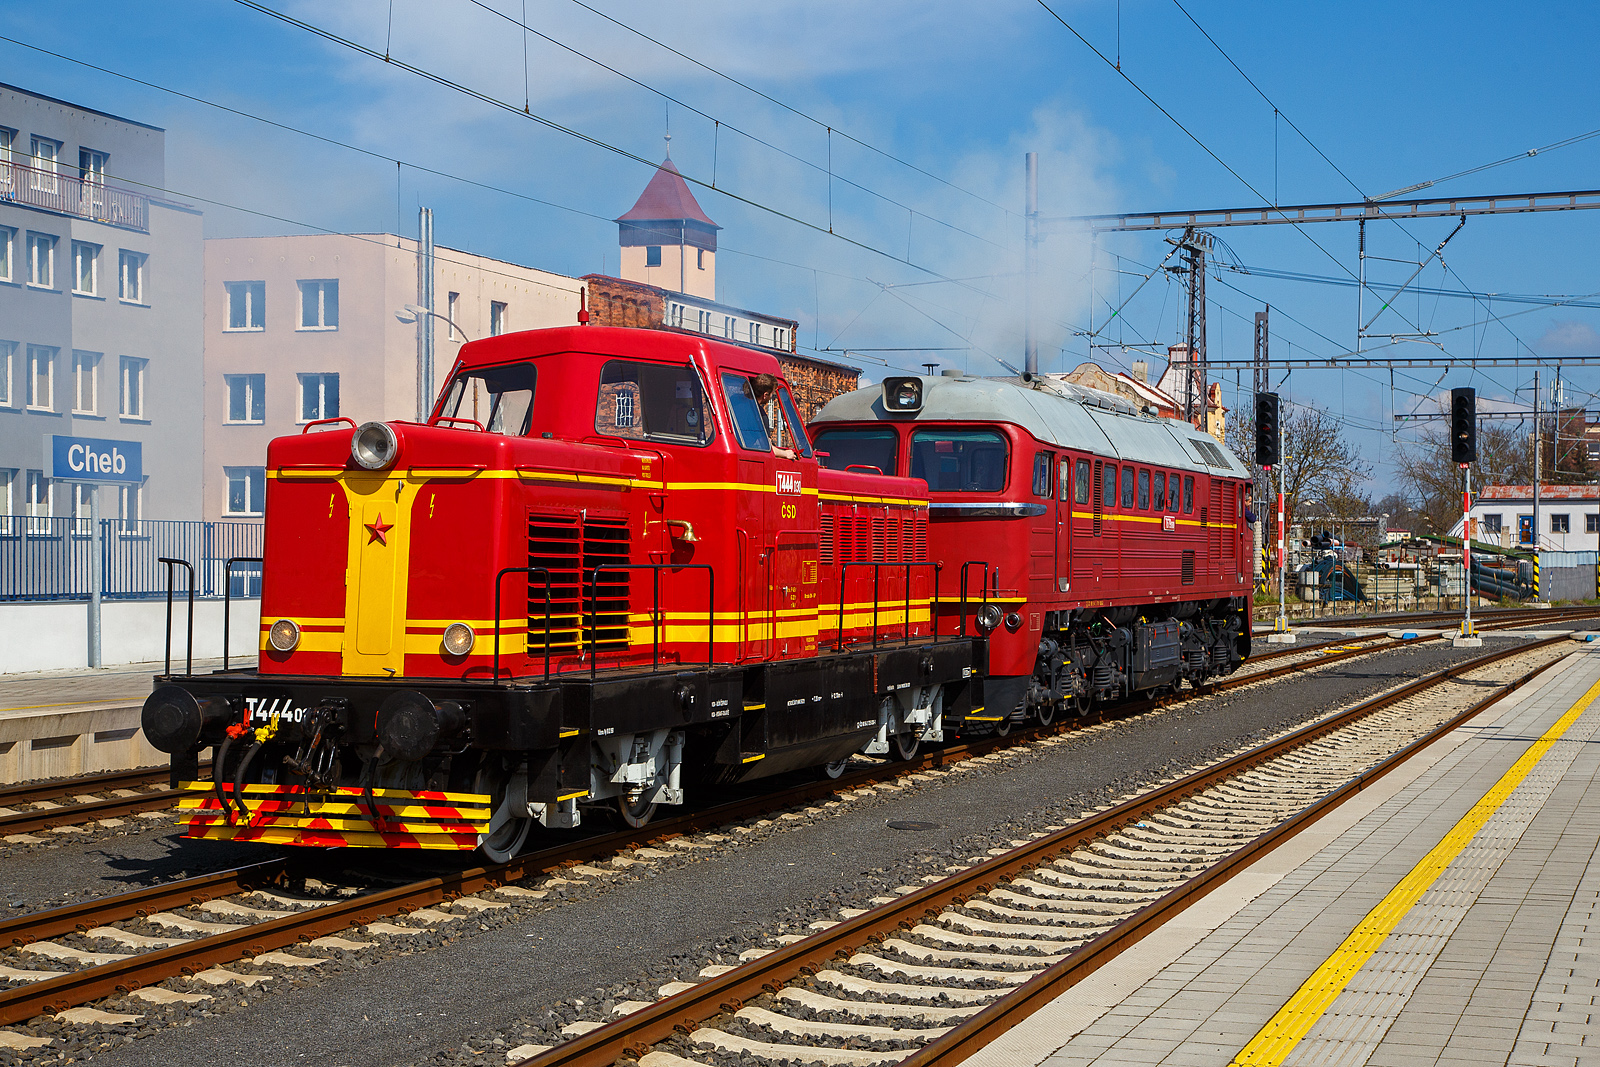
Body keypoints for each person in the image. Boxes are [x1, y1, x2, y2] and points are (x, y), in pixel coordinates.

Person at [751, 373, 798, 460]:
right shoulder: (760, 414)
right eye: (772, 393)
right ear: (765, 395)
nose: (772, 396)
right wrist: (786, 453)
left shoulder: (735, 403)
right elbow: (767, 448)